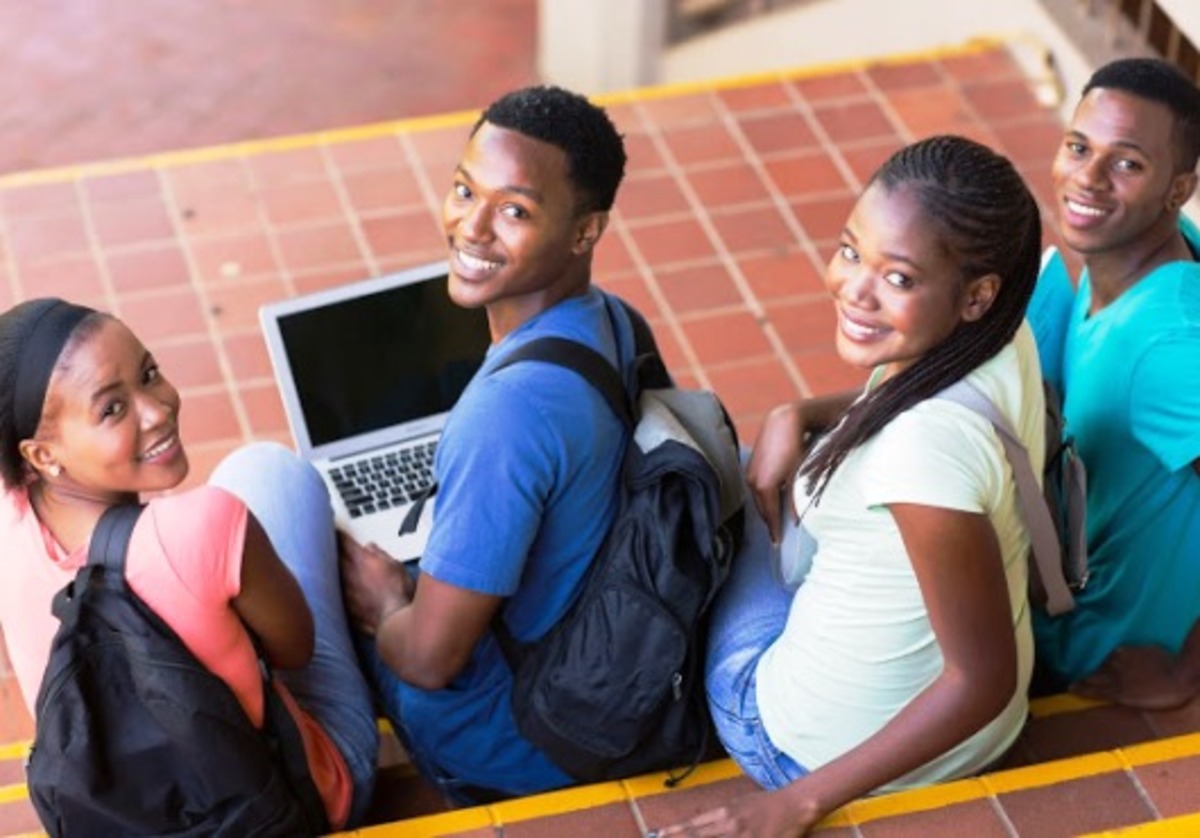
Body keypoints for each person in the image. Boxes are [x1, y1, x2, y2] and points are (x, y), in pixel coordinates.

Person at [654, 135, 1044, 838]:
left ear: (975, 295)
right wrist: (796, 412)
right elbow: (919, 398)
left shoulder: (918, 464)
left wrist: (796, 803)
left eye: (897, 279)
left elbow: (979, 679)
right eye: (850, 251)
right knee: (760, 459)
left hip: (807, 749)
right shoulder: (1006, 329)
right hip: (991, 725)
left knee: (711, 478)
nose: (853, 288)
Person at [338, 85, 638, 801]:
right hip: (590, 647)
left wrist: (386, 605)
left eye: (515, 211)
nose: (471, 228)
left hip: (520, 734)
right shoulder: (612, 318)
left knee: (312, 565)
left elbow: (433, 661)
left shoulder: (507, 415)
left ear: (585, 231)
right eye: (464, 189)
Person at [0, 299, 379, 831]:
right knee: (268, 468)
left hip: (119, 809)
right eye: (112, 409)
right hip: (289, 808)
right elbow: (295, 649)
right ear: (40, 456)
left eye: (149, 374)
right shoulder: (205, 523)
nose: (156, 410)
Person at [1027, 57, 1200, 705]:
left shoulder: (1166, 346)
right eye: (1078, 147)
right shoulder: (1144, 249)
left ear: (1176, 188)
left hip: (1098, 645)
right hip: (1064, 570)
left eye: (1126, 162)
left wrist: (1186, 673)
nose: (1087, 179)